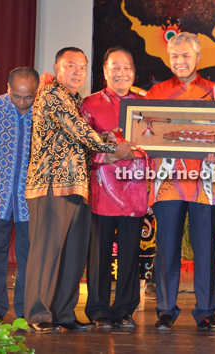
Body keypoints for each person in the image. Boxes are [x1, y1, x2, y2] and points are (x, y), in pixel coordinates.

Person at [24, 47, 135, 333]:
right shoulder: (52, 95)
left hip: (78, 185)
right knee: (47, 253)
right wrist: (114, 147)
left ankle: (63, 313)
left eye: (82, 67)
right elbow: (81, 133)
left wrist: (107, 146)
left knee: (73, 255)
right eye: (71, 66)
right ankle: (38, 315)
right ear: (57, 67)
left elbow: (83, 143)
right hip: (50, 185)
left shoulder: (75, 100)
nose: (77, 72)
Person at [147, 32, 215, 331]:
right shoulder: (156, 92)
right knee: (167, 247)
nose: (179, 61)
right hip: (169, 180)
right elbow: (147, 133)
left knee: (205, 248)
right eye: (174, 56)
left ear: (197, 57)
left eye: (185, 55)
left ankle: (206, 311)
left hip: (205, 182)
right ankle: (166, 310)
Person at [80, 47, 147, 329]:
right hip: (103, 191)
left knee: (131, 252)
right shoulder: (89, 104)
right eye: (115, 67)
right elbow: (81, 146)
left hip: (137, 191)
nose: (122, 73)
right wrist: (106, 154)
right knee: (100, 252)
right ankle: (97, 309)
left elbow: (156, 146)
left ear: (135, 71)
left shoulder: (147, 104)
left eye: (128, 67)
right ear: (105, 71)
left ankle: (125, 309)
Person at [0, 67, 39, 321]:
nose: (23, 103)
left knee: (29, 255)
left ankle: (25, 309)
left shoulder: (43, 113)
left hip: (30, 198)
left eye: (29, 97)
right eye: (17, 96)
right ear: (7, 88)